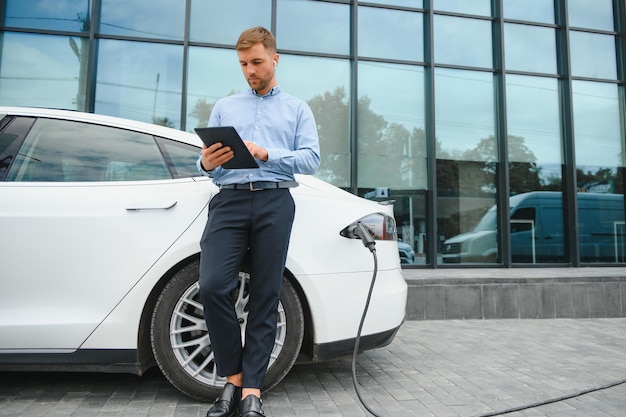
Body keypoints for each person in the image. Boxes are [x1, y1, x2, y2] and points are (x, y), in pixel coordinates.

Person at [196, 27, 320, 417]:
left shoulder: (298, 109)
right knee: (213, 285)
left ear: (274, 58)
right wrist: (205, 163)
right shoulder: (224, 107)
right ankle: (231, 379)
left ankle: (252, 391)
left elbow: (311, 160)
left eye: (257, 62)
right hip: (229, 203)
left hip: (274, 202)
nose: (250, 70)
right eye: (243, 64)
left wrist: (267, 153)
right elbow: (209, 168)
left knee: (266, 295)